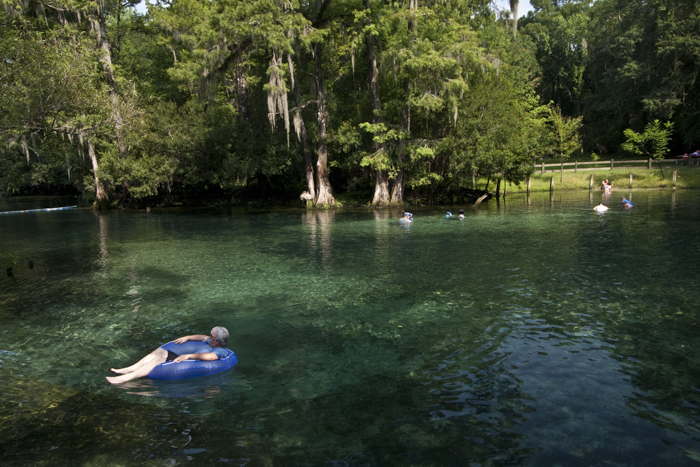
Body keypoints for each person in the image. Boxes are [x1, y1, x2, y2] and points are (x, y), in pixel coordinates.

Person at [106, 327, 230, 384]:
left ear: (218, 341)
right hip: (188, 359)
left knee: (159, 359)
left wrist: (189, 356)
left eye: (212, 336)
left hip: (189, 362)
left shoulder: (220, 351)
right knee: (159, 351)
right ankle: (131, 368)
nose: (209, 337)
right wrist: (187, 337)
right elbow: (202, 337)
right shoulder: (212, 343)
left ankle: (125, 379)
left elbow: (211, 357)